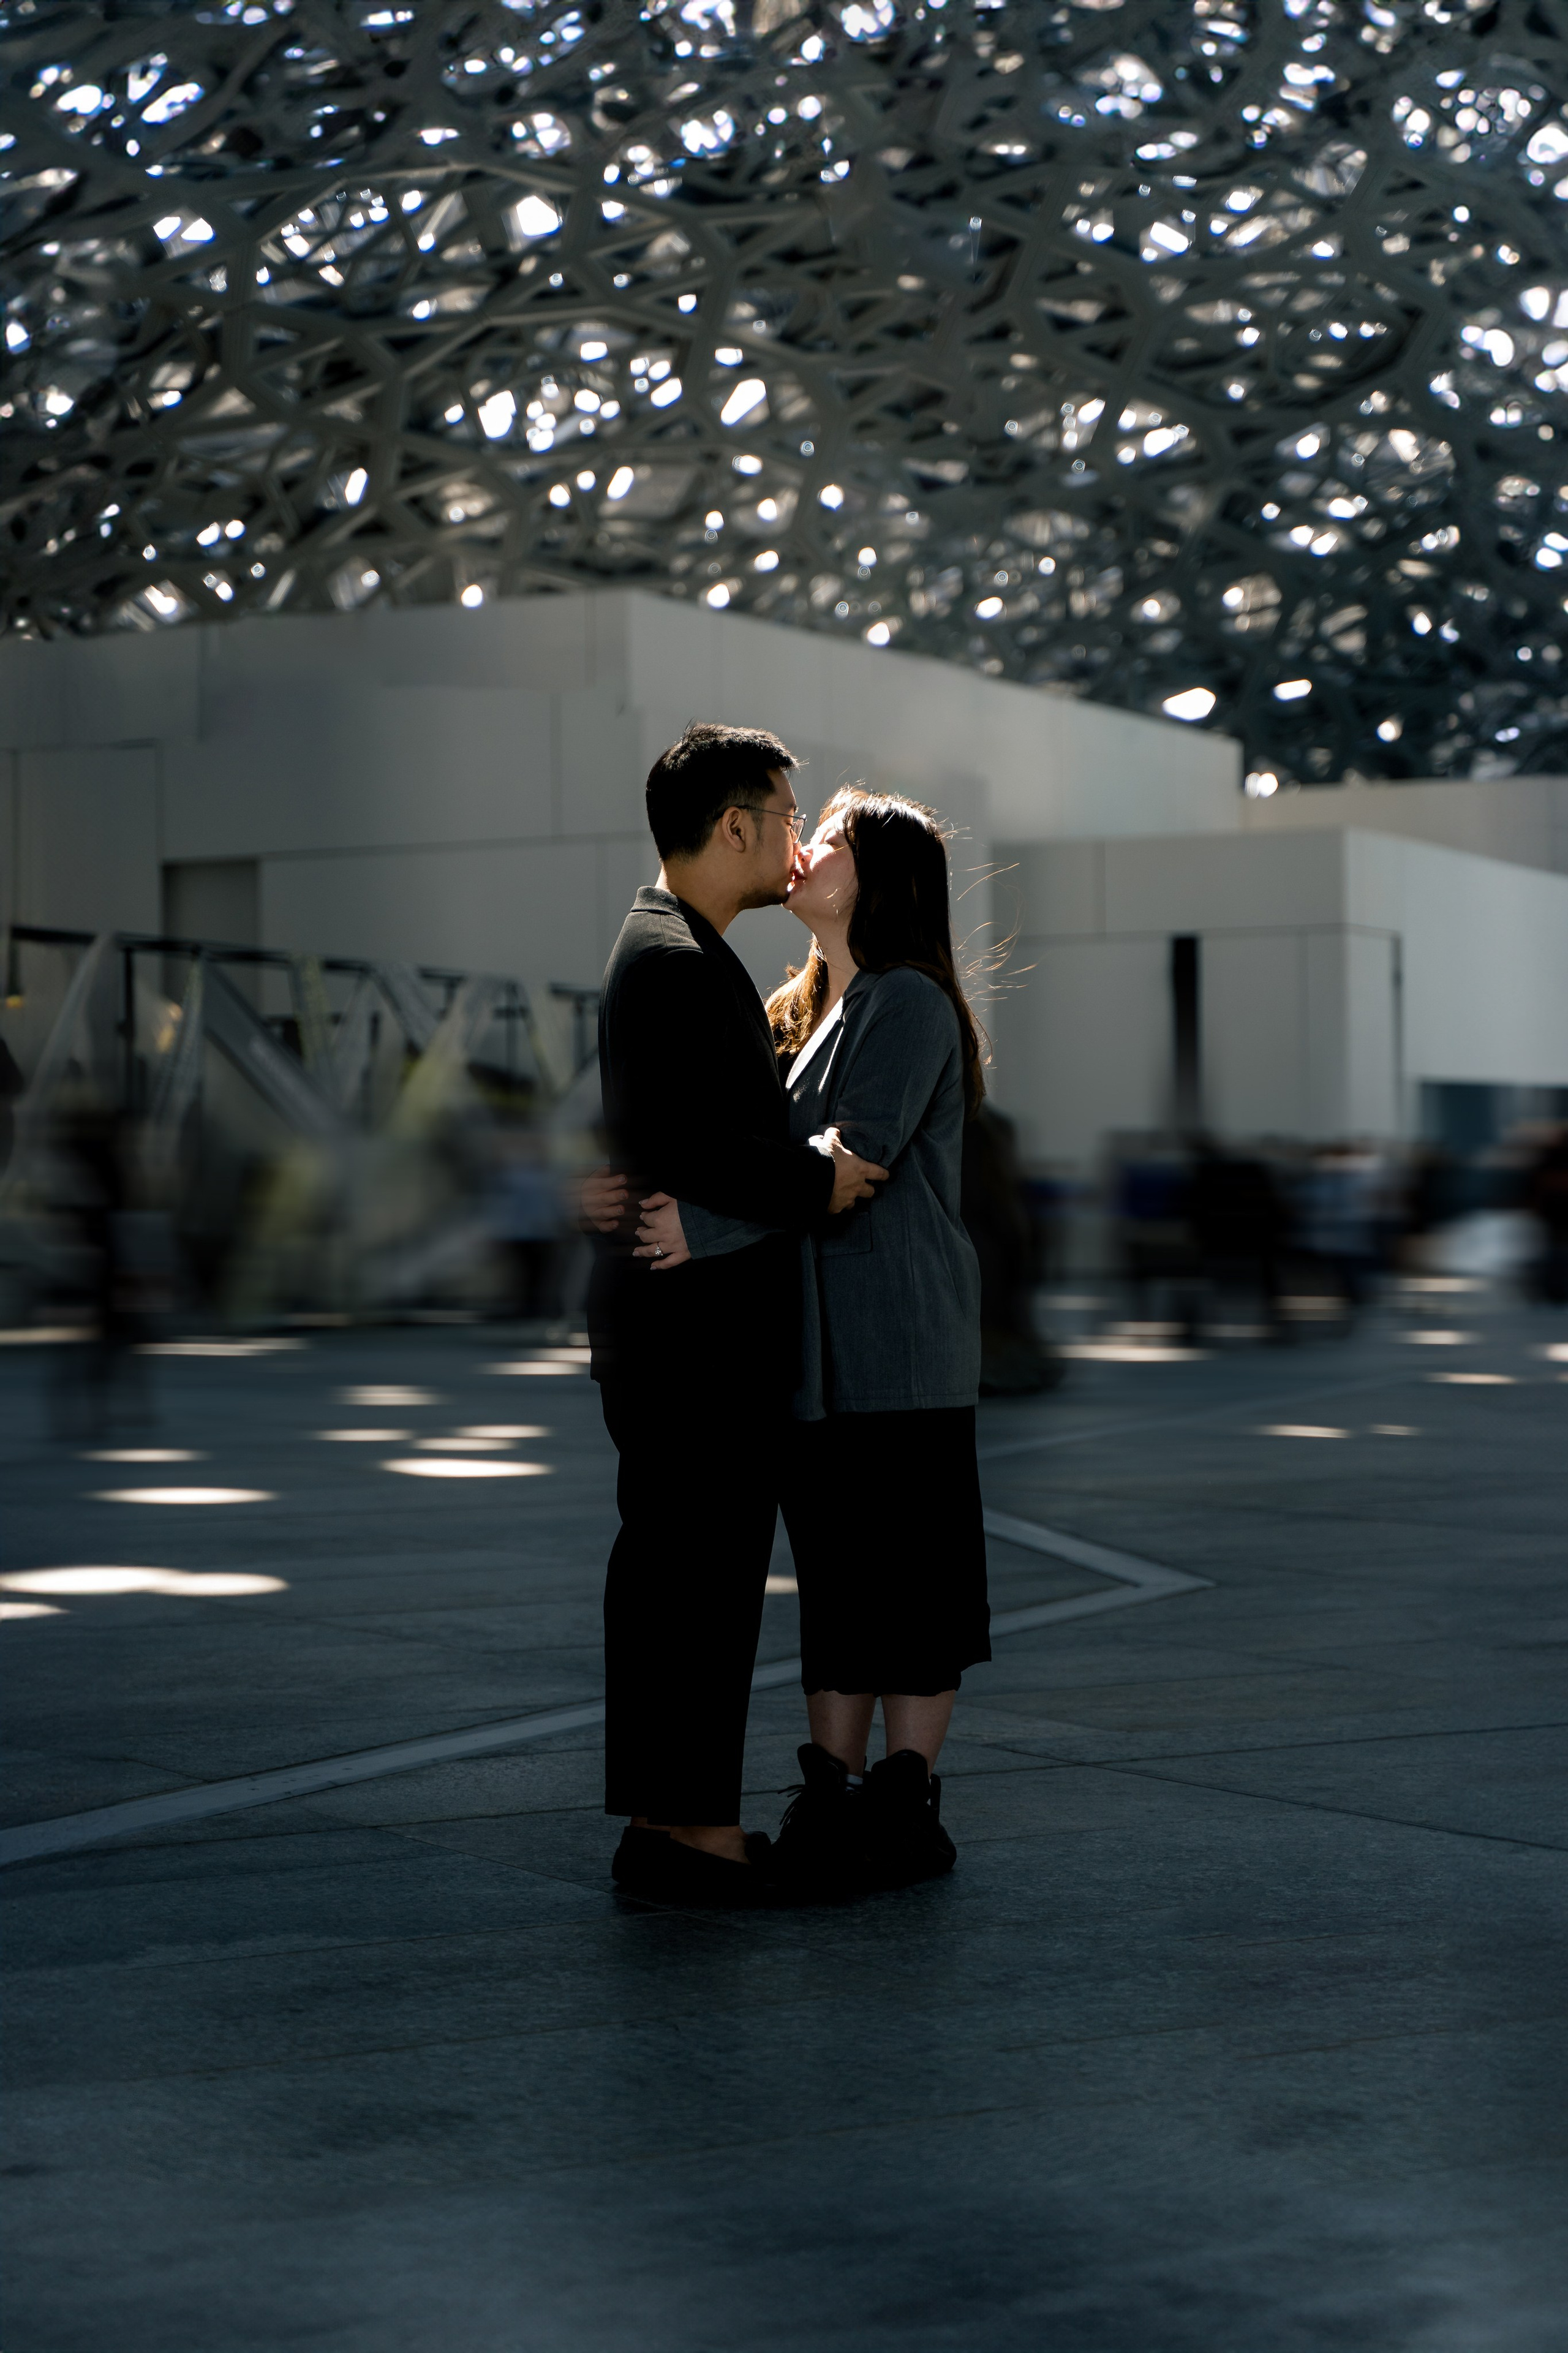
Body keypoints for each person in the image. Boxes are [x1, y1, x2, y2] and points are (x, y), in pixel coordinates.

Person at [632, 786, 990, 1897]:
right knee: (838, 1586)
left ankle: (904, 1803)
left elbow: (857, 1159)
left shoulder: (909, 1003)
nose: (804, 851)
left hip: (902, 1348)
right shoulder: (808, 1007)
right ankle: (831, 1792)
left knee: (914, 1588)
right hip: (817, 1360)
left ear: (876, 880)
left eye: (827, 840)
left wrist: (704, 1225)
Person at [589, 726, 888, 1908]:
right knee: (698, 1586)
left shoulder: (674, 945)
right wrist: (818, 1179)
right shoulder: (675, 959)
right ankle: (694, 1835)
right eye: (785, 813)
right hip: (692, 1338)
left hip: (677, 1333)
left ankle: (671, 1821)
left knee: (678, 1582)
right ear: (734, 826)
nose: (797, 837)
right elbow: (697, 1147)